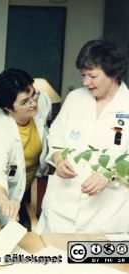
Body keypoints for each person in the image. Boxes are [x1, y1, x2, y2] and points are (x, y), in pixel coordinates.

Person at [38, 39, 129, 233]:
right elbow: (55, 135)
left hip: (106, 217)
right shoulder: (75, 99)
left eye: (93, 76)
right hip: (60, 209)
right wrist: (58, 158)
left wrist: (110, 174)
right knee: (51, 259)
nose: (85, 82)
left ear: (114, 73)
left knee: (95, 263)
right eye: (83, 75)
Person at [0, 69, 51, 226]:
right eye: (25, 102)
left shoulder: (41, 102)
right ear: (8, 108)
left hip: (27, 185)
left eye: (33, 94)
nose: (34, 103)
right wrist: (4, 202)